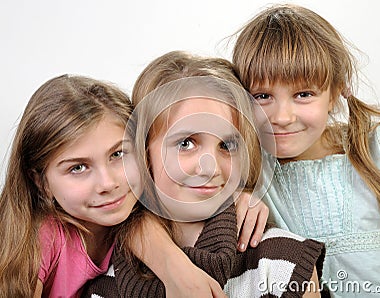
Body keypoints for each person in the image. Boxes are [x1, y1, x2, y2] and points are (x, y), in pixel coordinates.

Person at [84, 51, 326, 297]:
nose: (210, 168)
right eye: (186, 143)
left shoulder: (283, 264)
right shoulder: (106, 282)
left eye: (227, 145)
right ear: (143, 153)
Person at [231, 3, 380, 296]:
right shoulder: (252, 171)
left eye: (304, 94)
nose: (282, 117)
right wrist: (237, 194)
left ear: (335, 93)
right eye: (262, 96)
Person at [0, 74, 143, 297]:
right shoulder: (41, 238)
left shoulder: (144, 218)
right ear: (41, 182)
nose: (107, 183)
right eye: (78, 168)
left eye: (117, 154)